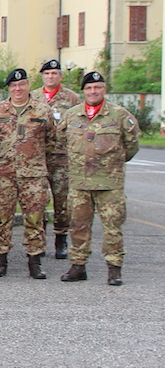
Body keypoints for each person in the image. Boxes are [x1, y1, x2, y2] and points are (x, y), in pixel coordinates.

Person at [60, 72, 140, 286]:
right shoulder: (72, 115)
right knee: (77, 226)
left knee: (112, 227)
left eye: (97, 87)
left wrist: (112, 164)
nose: (93, 92)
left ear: (104, 89)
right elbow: (60, 140)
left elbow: (131, 145)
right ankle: (78, 266)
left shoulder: (119, 115)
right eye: (89, 88)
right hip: (79, 183)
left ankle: (114, 269)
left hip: (109, 184)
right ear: (83, 91)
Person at [0, 68, 57, 279]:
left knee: (35, 218)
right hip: (4, 174)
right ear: (9, 88)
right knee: (1, 217)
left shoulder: (43, 111)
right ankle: (0, 260)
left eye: (22, 84)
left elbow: (52, 141)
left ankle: (34, 261)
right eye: (14, 86)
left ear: (28, 85)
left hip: (33, 175)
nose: (18, 89)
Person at [31, 59, 82, 258]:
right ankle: (39, 240)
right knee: (38, 200)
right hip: (37, 157)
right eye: (47, 74)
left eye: (54, 73)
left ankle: (61, 237)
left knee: (62, 201)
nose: (50, 77)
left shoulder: (72, 98)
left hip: (61, 157)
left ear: (60, 76)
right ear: (42, 76)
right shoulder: (33, 96)